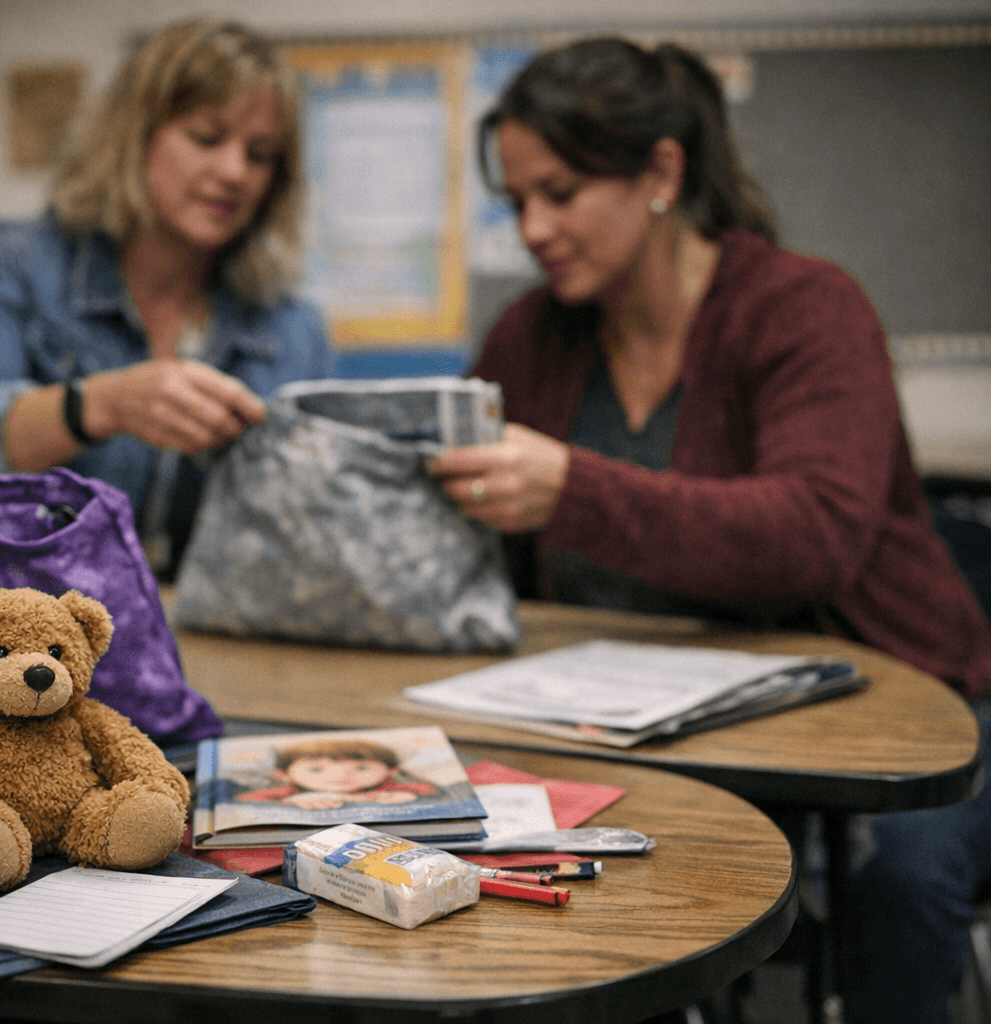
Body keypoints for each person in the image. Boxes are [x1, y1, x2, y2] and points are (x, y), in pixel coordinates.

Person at [426, 37, 991, 1024]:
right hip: (638, 726)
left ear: (661, 172)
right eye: (517, 202)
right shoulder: (531, 335)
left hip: (894, 714)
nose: (534, 228)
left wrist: (573, 491)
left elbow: (813, 534)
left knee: (904, 878)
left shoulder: (806, 310)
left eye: (560, 193)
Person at [0, 18, 334, 578]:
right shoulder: (9, 261)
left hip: (205, 625)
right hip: (24, 620)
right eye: (206, 137)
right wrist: (100, 405)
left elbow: (317, 521)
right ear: (135, 135)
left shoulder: (292, 326)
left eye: (260, 154)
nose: (234, 172)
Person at [233, 737, 440, 810]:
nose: (341, 776)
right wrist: (289, 803)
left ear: (392, 771)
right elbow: (245, 801)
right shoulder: (288, 790)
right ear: (283, 774)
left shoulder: (390, 786)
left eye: (361, 768)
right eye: (316, 769)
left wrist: (410, 797)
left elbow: (429, 791)